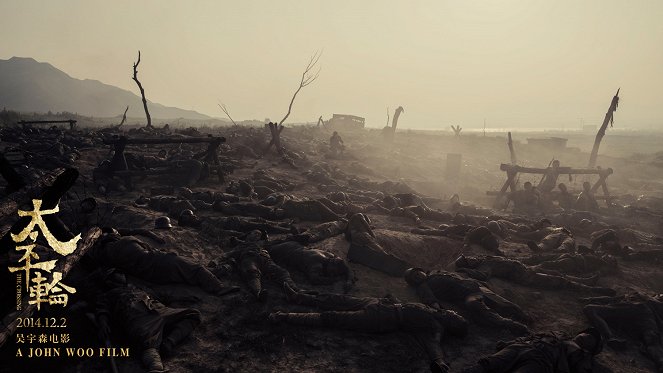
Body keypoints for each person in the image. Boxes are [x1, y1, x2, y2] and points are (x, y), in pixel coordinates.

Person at [272, 285, 468, 373]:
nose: (453, 313)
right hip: (380, 304)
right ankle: (298, 297)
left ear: (453, 325)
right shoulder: (436, 310)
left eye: (456, 317)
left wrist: (439, 361)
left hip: (380, 319)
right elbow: (425, 293)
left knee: (335, 318)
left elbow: (433, 344)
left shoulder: (436, 327)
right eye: (456, 313)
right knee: (336, 299)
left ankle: (285, 316)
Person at [75, 268, 202, 373]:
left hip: (161, 311)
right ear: (110, 280)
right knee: (150, 349)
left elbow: (161, 295)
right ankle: (155, 367)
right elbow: (102, 310)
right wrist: (103, 322)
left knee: (193, 314)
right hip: (140, 321)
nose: (121, 275)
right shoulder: (109, 296)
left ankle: (169, 342)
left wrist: (187, 297)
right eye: (117, 274)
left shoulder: (136, 288)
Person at [85, 228, 237, 296]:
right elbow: (149, 248)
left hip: (149, 276)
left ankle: (216, 272)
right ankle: (219, 288)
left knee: (187, 274)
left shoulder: (107, 255)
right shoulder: (127, 240)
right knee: (195, 268)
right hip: (159, 263)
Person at [404, 268, 528, 334]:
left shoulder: (436, 272)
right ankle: (511, 324)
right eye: (415, 277)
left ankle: (524, 315)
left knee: (502, 303)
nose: (418, 276)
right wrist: (440, 311)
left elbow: (458, 275)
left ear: (421, 270)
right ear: (414, 282)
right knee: (475, 306)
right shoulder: (424, 286)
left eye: (418, 272)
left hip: (476, 286)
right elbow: (431, 300)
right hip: (468, 295)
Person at [454, 255, 615, 295]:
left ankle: (584, 280)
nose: (471, 258)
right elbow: (482, 276)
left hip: (525, 268)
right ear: (469, 264)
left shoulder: (484, 259)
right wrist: (466, 271)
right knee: (558, 280)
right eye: (468, 260)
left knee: (555, 272)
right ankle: (590, 290)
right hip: (525, 276)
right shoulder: (484, 265)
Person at [461, 328, 603, 373]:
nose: (588, 337)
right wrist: (509, 343)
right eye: (587, 334)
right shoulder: (557, 334)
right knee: (486, 364)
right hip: (521, 348)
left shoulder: (583, 356)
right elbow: (530, 336)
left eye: (592, 339)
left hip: (542, 361)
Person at [583, 293, 663, 371]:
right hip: (632, 309)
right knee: (652, 340)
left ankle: (610, 337)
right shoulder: (641, 295)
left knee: (652, 340)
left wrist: (591, 299)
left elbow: (612, 299)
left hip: (637, 311)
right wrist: (592, 299)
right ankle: (610, 338)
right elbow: (613, 298)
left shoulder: (642, 296)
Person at [218, 230, 300, 301]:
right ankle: (258, 292)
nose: (257, 235)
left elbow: (279, 241)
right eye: (255, 233)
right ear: (249, 234)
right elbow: (228, 254)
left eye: (259, 235)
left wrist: (295, 237)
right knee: (252, 272)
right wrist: (216, 260)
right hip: (249, 258)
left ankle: (295, 290)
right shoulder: (241, 245)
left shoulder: (263, 244)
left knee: (282, 272)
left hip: (266, 260)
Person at [267, 241, 354, 291]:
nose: (332, 274)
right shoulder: (317, 265)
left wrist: (349, 280)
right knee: (267, 249)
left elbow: (345, 266)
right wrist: (335, 280)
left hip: (294, 244)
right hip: (282, 252)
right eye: (333, 272)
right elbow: (314, 279)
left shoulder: (330, 256)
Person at [345, 213, 410, 277]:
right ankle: (388, 257)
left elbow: (347, 230)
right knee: (379, 249)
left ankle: (356, 259)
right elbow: (366, 225)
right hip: (363, 235)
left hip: (354, 237)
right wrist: (372, 235)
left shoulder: (352, 220)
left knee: (364, 249)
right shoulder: (360, 215)